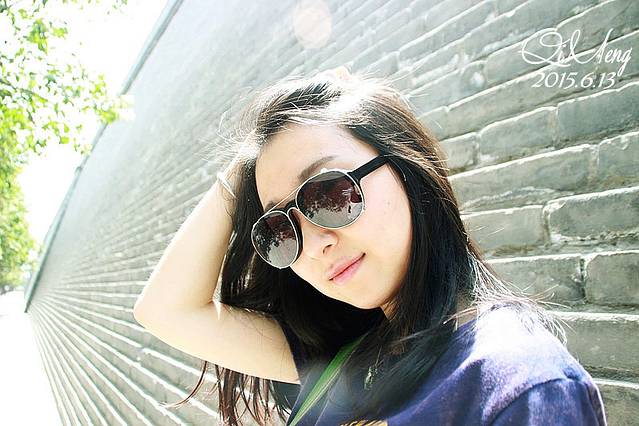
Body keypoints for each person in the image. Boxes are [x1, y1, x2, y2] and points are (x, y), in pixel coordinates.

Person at [133, 67, 608, 426]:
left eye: (328, 193)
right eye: (281, 229)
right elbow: (165, 311)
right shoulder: (343, 357)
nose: (314, 245)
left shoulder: (521, 386)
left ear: (407, 166)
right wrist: (250, 161)